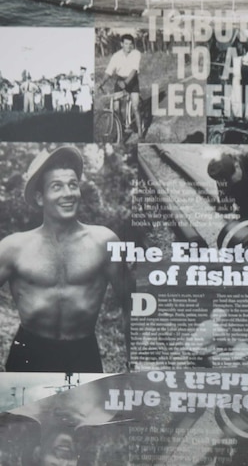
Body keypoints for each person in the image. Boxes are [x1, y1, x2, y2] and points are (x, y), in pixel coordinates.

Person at [0, 147, 124, 372]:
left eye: (73, 184)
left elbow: (131, 304)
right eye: (57, 186)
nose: (68, 193)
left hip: (82, 354)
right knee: (22, 409)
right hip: (29, 353)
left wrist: (133, 362)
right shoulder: (13, 248)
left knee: (84, 409)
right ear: (40, 198)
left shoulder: (105, 242)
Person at [102, 33, 144, 137]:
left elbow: (134, 70)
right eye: (126, 44)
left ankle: (140, 131)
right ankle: (121, 129)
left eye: (130, 44)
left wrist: (126, 83)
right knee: (116, 108)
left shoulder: (136, 54)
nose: (128, 46)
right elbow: (109, 71)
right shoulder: (116, 56)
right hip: (120, 81)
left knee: (135, 106)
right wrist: (101, 83)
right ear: (121, 44)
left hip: (132, 80)